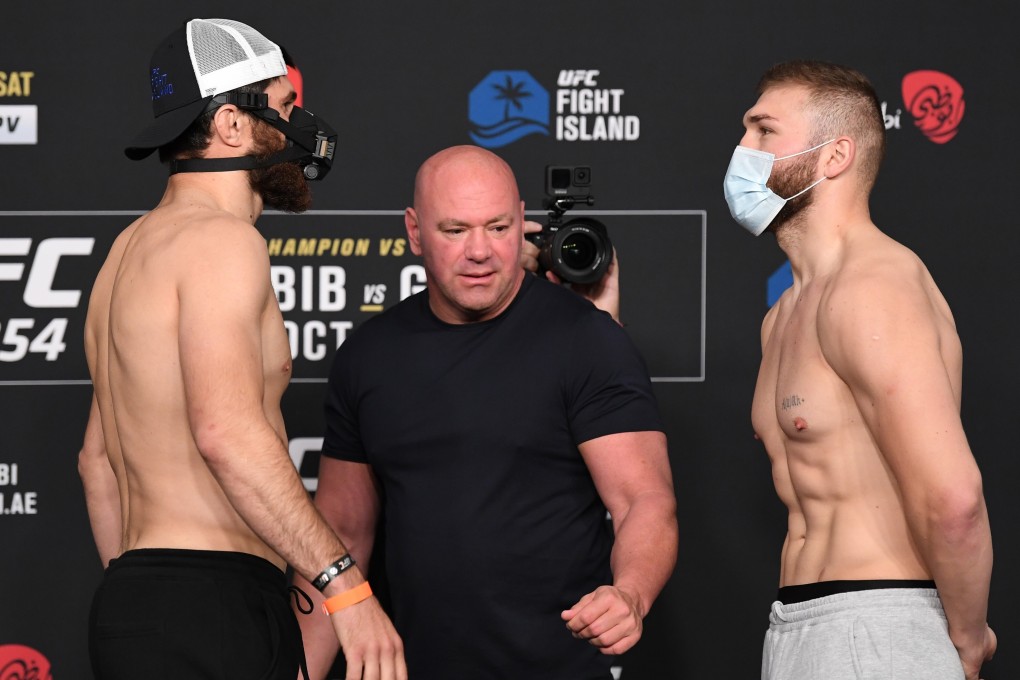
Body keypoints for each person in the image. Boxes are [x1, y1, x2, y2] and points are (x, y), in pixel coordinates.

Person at [77, 18, 405, 680]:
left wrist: (149, 604)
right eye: (283, 108)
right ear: (230, 123)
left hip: (133, 603)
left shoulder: (123, 257)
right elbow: (226, 431)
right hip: (214, 602)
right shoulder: (223, 243)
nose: (299, 129)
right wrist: (343, 583)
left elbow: (96, 463)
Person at [294, 144, 678, 679]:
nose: (480, 251)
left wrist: (630, 594)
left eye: (498, 228)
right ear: (414, 231)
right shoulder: (368, 355)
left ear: (522, 222)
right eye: (454, 231)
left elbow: (644, 500)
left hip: (558, 668)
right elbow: (341, 533)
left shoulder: (586, 340)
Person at [723, 60, 995, 680]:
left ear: (835, 155)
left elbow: (954, 499)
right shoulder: (785, 313)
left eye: (764, 131)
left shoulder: (873, 287)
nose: (742, 149)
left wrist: (967, 638)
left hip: (878, 628)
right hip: (799, 624)